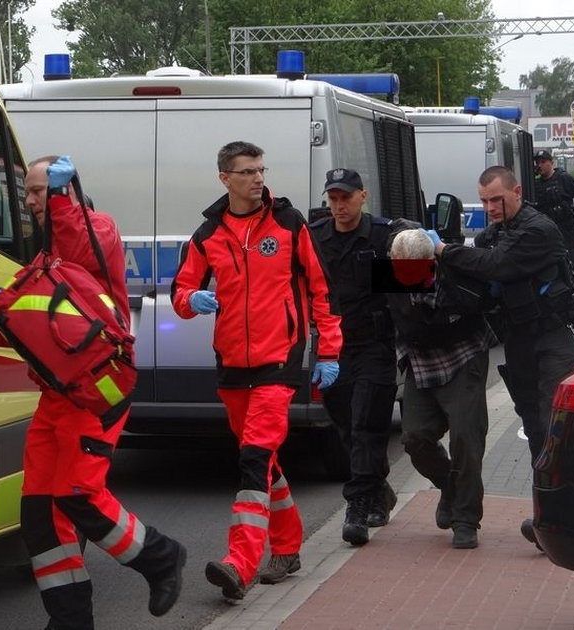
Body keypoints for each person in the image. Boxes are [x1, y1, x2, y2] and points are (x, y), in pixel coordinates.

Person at [0, 156, 186, 630]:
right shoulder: (46, 259)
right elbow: (40, 328)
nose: (32, 201)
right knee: (39, 513)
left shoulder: (95, 231)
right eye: (31, 194)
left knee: (80, 496)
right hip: (59, 397)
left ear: (67, 192)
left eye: (40, 190)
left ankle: (162, 558)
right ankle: (70, 620)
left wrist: (64, 200)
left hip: (95, 395)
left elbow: (81, 240)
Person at [171, 141, 342, 599]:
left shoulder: (287, 223)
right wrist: (193, 300)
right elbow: (181, 293)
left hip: (279, 361)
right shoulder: (207, 235)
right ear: (225, 178)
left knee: (252, 460)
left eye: (261, 170)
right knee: (263, 462)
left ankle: (240, 563)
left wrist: (328, 352)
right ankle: (287, 547)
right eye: (247, 172)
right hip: (231, 365)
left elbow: (323, 291)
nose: (258, 178)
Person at [430, 166, 574, 548]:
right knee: (535, 428)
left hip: (554, 339)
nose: (489, 207)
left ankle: (565, 517)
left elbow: (495, 265)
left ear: (516, 191)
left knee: (555, 429)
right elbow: (477, 274)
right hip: (519, 340)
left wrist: (443, 250)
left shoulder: (538, 229)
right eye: (483, 201)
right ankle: (549, 516)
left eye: (496, 199)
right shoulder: (494, 233)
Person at [388, 229, 495, 549]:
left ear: (431, 261)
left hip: (463, 358)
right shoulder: (390, 273)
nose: (405, 276)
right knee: (414, 437)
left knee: (466, 437)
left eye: (414, 270)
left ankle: (466, 519)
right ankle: (450, 486)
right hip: (420, 362)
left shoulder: (456, 278)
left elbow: (489, 296)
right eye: (399, 268)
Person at [309, 168, 398, 546]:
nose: (339, 205)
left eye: (346, 197)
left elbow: (417, 288)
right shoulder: (315, 240)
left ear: (363, 196)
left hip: (375, 347)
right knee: (345, 426)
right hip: (333, 349)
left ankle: (357, 507)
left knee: (366, 426)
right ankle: (380, 489)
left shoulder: (380, 237)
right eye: (333, 198)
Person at [533, 149, 574, 288]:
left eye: (543, 162)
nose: (540, 165)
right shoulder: (536, 185)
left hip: (567, 232)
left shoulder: (564, 178)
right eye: (537, 162)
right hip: (547, 234)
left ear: (551, 163)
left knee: (572, 268)